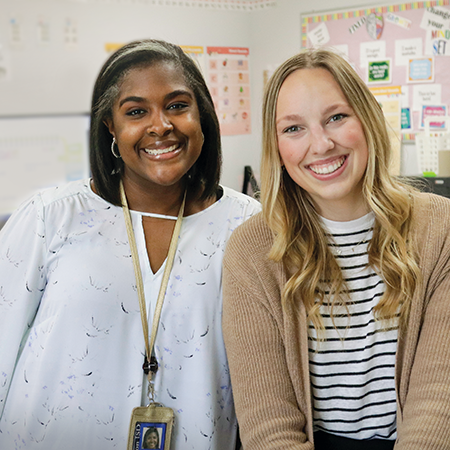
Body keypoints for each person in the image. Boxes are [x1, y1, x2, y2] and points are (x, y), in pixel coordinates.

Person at [0, 39, 260, 449]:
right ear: (110, 126)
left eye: (177, 105)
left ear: (202, 115)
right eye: (136, 111)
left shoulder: (247, 226)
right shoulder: (49, 217)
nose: (161, 126)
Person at [222, 48, 450, 450]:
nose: (321, 144)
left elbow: (437, 402)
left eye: (336, 117)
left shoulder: (441, 230)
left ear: (366, 118)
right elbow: (270, 426)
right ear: (276, 145)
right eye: (294, 128)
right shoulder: (251, 251)